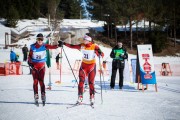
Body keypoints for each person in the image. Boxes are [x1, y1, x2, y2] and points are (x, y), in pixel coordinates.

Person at [58, 34, 104, 105]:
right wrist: (64, 43)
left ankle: (92, 97)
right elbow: (72, 46)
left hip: (92, 66)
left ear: (89, 40)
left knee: (91, 83)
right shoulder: (82, 45)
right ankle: (80, 97)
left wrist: (100, 54)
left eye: (85, 39)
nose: (83, 40)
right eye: (84, 39)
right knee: (81, 82)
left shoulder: (94, 46)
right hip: (84, 66)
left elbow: (102, 54)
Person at [28, 33, 58, 105]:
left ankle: (43, 94)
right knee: (35, 81)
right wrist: (30, 63)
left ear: (43, 40)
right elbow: (29, 56)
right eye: (38, 39)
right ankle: (36, 95)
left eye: (41, 39)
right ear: (36, 39)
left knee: (41, 81)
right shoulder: (32, 47)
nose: (40, 41)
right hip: (34, 66)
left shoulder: (45, 46)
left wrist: (58, 45)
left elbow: (52, 47)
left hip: (41, 66)